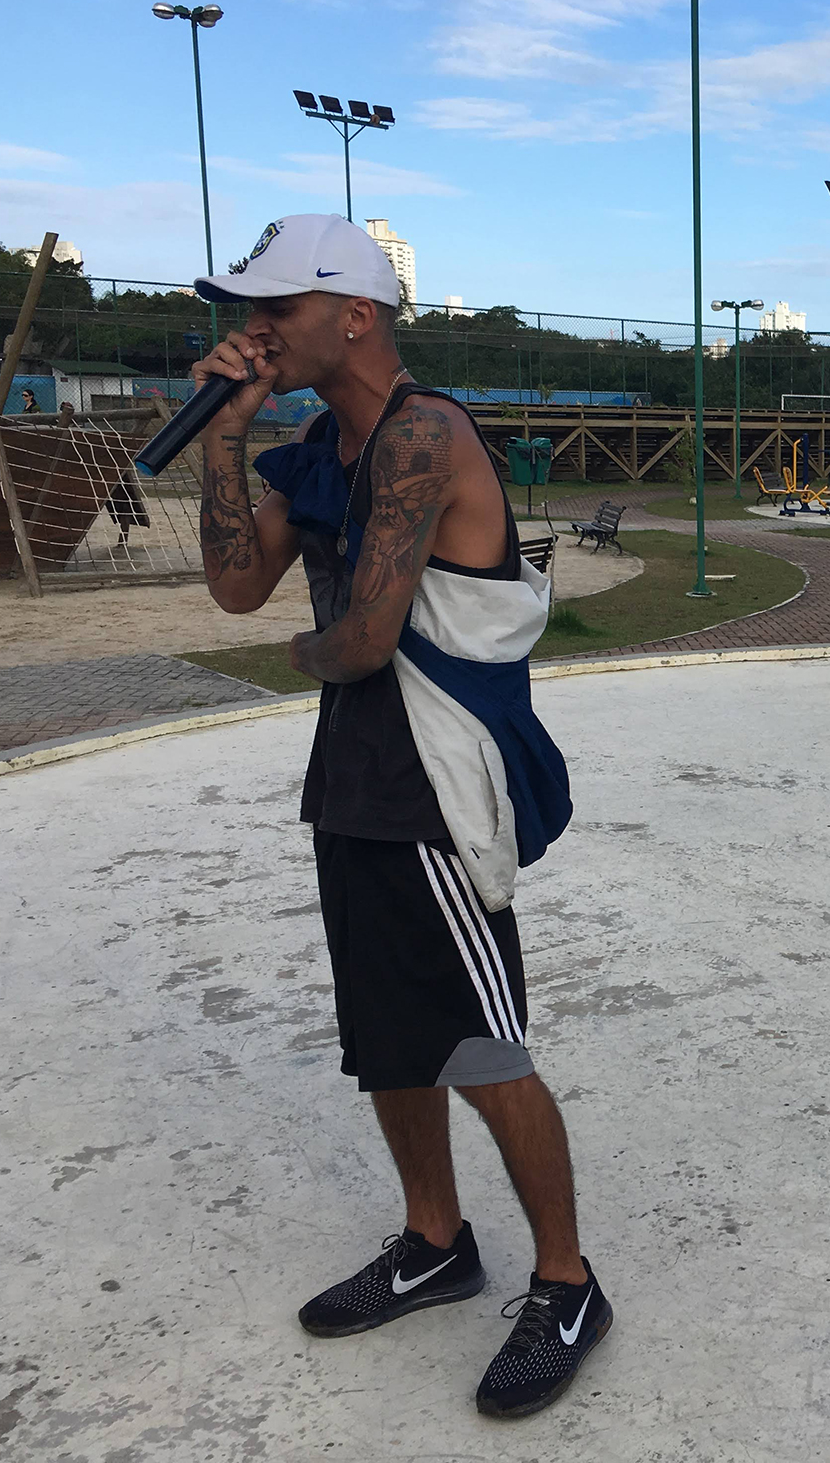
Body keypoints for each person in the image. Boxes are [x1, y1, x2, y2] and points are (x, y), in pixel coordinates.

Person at [186, 214, 607, 1419]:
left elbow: (365, 640)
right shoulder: (322, 445)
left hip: (436, 782)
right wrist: (224, 437)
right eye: (248, 312)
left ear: (355, 315)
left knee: (482, 1047)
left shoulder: (424, 434)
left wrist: (301, 653)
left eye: (277, 308)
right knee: (388, 1037)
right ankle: (435, 1242)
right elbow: (234, 586)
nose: (255, 330)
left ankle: (568, 1285)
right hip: (356, 780)